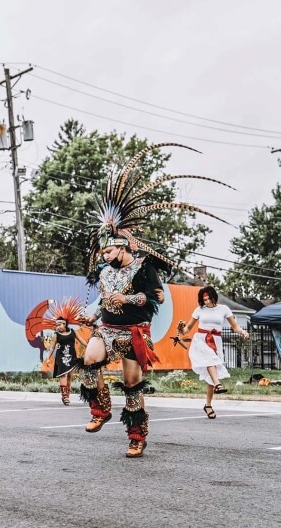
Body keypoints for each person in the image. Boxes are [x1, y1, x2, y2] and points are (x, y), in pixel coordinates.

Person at [77, 143, 230, 458]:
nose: (104, 256)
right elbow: (104, 299)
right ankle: (100, 410)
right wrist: (91, 315)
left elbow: (154, 298)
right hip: (107, 328)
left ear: (123, 247)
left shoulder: (144, 268)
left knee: (132, 384)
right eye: (102, 252)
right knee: (88, 361)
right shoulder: (105, 271)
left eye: (108, 251)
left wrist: (129, 297)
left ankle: (136, 436)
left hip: (134, 332)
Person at [178, 286, 249, 418]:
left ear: (213, 297)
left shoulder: (224, 309)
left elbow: (235, 327)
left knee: (211, 373)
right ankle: (218, 384)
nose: (207, 302)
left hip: (216, 341)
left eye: (209, 299)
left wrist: (243, 332)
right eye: (204, 300)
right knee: (211, 361)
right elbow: (187, 329)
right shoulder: (199, 310)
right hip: (201, 340)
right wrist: (181, 329)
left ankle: (208, 405)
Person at [43, 298, 86, 406]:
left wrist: (90, 346)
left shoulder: (73, 332)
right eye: (57, 325)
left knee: (70, 375)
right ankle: (64, 396)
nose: (58, 327)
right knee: (64, 374)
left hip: (72, 356)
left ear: (65, 324)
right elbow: (52, 348)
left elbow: (82, 341)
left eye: (60, 325)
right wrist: (48, 358)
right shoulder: (56, 335)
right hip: (61, 357)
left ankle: (68, 395)